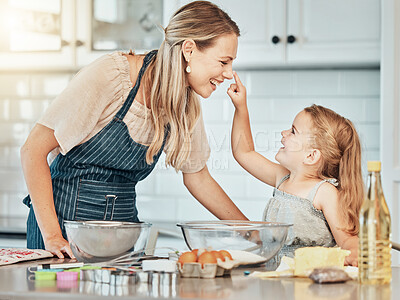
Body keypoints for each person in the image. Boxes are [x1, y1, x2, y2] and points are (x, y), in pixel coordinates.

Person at [20, 1, 248, 259]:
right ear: (189, 50)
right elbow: (32, 150)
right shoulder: (112, 75)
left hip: (121, 235)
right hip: (64, 231)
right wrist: (51, 236)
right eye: (223, 61)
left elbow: (197, 176)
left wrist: (250, 231)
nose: (229, 74)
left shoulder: (185, 103)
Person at [227, 72, 363, 266]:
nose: (283, 133)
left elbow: (347, 239)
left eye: (293, 131)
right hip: (275, 280)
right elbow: (244, 152)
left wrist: (356, 251)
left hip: (308, 288)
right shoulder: (283, 178)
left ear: (311, 156)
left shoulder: (324, 192)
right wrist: (241, 107)